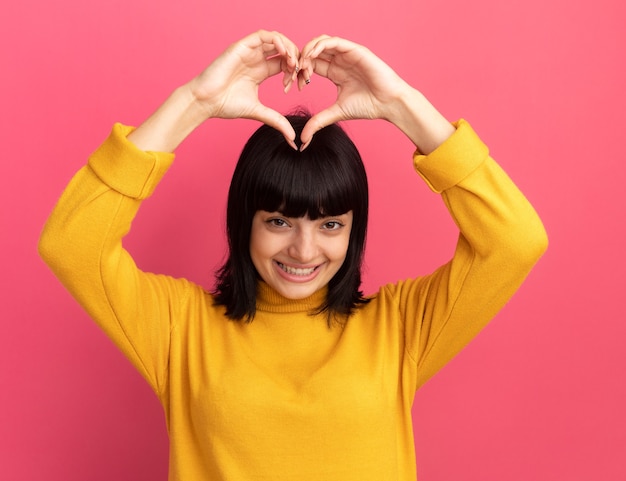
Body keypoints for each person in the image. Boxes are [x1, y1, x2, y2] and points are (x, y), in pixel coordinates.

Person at [39, 30, 548, 481]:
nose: (304, 250)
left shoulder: (400, 329)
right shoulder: (179, 329)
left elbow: (514, 242)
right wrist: (195, 101)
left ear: (354, 231)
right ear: (245, 224)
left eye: (330, 225)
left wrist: (401, 104)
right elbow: (72, 243)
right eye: (279, 221)